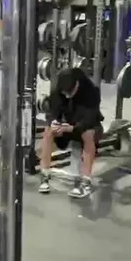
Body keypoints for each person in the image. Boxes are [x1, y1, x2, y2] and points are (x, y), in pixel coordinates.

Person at [38, 66, 103, 198]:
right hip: (67, 127)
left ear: (77, 84)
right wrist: (54, 121)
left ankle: (85, 183)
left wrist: (73, 128)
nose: (67, 95)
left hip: (88, 127)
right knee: (48, 131)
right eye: (65, 93)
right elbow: (52, 111)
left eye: (70, 92)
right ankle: (44, 175)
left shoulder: (92, 92)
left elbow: (90, 119)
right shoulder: (59, 90)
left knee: (88, 134)